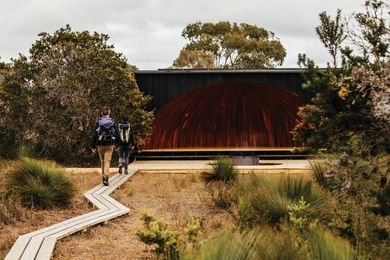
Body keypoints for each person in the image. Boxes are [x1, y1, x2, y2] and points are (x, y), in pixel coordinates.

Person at [91, 106, 119, 186]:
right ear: (109, 112)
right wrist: (117, 145)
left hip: (100, 145)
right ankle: (106, 178)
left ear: (102, 113)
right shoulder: (112, 122)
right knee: (107, 161)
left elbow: (94, 135)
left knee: (102, 161)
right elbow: (117, 134)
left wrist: (93, 146)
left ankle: (103, 177)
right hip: (110, 144)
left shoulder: (98, 122)